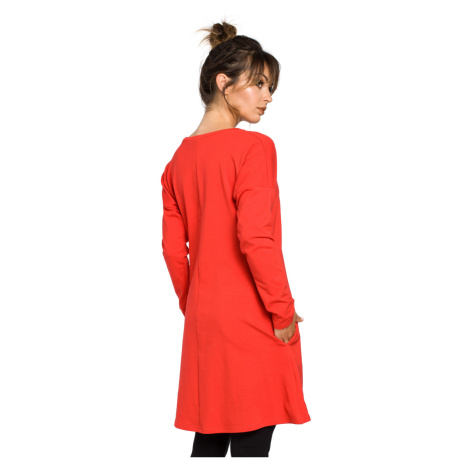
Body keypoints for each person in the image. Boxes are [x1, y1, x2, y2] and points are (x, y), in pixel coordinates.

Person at [161, 19, 311, 457]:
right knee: (252, 441)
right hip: (252, 316)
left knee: (209, 436)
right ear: (223, 83)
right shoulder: (253, 148)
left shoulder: (176, 163)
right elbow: (256, 239)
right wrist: (282, 311)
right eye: (259, 84)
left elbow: (173, 251)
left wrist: (195, 305)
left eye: (270, 87)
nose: (268, 96)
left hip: (205, 321)